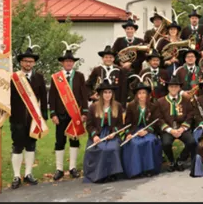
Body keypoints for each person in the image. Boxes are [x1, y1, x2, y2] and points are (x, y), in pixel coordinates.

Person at [9, 45, 48, 189]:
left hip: (33, 119)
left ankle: (28, 174)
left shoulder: (39, 77)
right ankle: (16, 175)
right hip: (17, 118)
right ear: (21, 62)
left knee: (31, 146)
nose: (28, 64)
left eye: (31, 61)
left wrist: (44, 115)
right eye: (25, 61)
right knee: (18, 146)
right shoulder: (14, 78)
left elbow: (44, 97)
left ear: (34, 63)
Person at [49, 47, 89, 181]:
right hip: (60, 115)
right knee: (59, 141)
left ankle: (72, 168)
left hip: (75, 115)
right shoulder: (56, 77)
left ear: (73, 63)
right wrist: (53, 114)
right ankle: (59, 169)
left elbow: (84, 95)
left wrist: (84, 112)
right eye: (66, 61)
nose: (68, 63)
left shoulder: (79, 76)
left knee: (74, 141)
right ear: (62, 63)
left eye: (71, 61)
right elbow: (52, 97)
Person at [83, 80, 124, 183]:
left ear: (112, 94)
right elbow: (89, 125)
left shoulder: (117, 106)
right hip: (98, 134)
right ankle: (100, 175)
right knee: (100, 148)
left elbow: (120, 124)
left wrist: (114, 132)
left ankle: (112, 173)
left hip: (112, 134)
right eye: (105, 92)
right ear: (101, 94)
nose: (107, 95)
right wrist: (95, 136)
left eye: (109, 92)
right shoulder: (93, 107)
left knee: (113, 147)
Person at [155, 76, 197, 174]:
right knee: (166, 143)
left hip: (182, 128)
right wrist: (170, 130)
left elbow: (190, 115)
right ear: (168, 88)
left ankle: (181, 160)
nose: (173, 88)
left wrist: (182, 128)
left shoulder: (186, 101)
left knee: (192, 142)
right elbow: (159, 118)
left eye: (176, 87)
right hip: (168, 130)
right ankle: (171, 161)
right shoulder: (160, 101)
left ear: (179, 88)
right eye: (171, 87)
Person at [122, 82, 162, 178]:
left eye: (144, 93)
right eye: (139, 93)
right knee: (134, 143)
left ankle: (149, 169)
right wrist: (128, 134)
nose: (142, 95)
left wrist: (147, 131)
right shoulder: (131, 106)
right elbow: (127, 123)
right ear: (136, 95)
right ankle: (136, 170)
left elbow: (156, 123)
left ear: (147, 94)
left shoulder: (153, 106)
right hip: (134, 131)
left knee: (150, 141)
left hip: (148, 131)